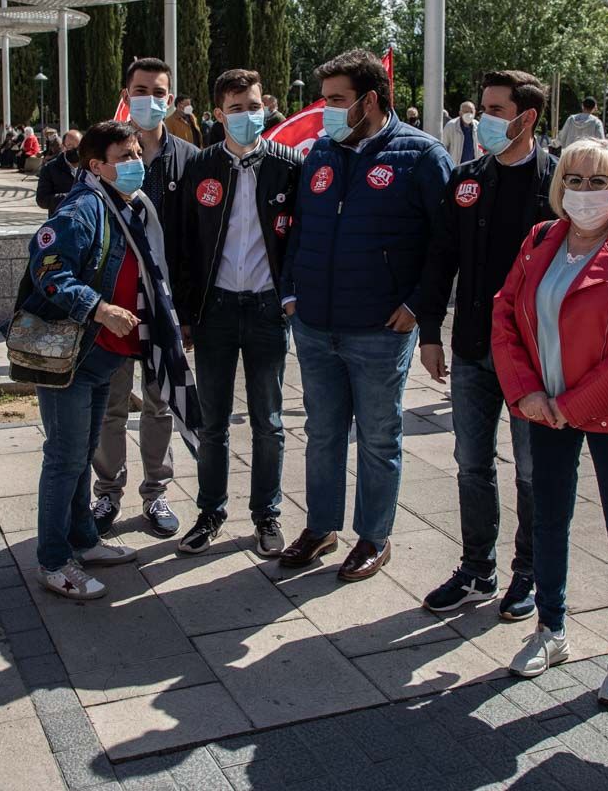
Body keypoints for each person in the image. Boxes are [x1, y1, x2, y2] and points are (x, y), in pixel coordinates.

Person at [491, 138, 608, 701]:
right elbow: (505, 317)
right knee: (548, 519)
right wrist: (526, 394)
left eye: (598, 181)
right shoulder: (541, 239)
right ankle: (551, 627)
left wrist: (573, 406)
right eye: (574, 178)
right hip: (543, 407)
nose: (585, 191)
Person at [278, 48, 453, 580]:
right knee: (322, 433)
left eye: (337, 100)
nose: (327, 110)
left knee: (379, 437)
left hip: (379, 330)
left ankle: (374, 537)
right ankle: (321, 526)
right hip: (314, 325)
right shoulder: (322, 153)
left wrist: (418, 308)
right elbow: (299, 229)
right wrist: (291, 295)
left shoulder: (421, 155)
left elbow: (444, 245)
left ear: (370, 101)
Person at [24, 120, 196, 599]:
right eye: (124, 156)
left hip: (105, 357)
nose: (136, 162)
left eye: (137, 153)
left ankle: (84, 538)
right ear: (95, 165)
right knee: (64, 458)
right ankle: (54, 560)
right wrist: (98, 309)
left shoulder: (128, 207)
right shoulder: (82, 208)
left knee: (80, 454)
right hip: (74, 356)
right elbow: (47, 271)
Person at [415, 70, 555, 621]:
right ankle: (477, 567)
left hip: (534, 358)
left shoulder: (561, 181)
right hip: (473, 348)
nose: (484, 120)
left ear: (527, 119)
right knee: (472, 463)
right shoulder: (468, 178)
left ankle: (530, 572)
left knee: (529, 470)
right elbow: (440, 257)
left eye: (496, 110)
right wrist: (429, 333)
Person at [172, 69, 302, 557]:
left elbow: (301, 239)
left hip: (270, 310)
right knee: (213, 421)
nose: (248, 116)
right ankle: (210, 511)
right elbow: (185, 245)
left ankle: (267, 513)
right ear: (217, 114)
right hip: (216, 310)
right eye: (236, 108)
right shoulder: (202, 166)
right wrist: (186, 311)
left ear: (265, 106)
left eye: (254, 106)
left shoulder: (289, 165)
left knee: (269, 420)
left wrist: (292, 297)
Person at [92, 58, 197, 538]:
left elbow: (197, 240)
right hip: (113, 310)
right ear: (125, 93)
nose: (150, 100)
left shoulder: (189, 159)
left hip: (162, 308)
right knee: (111, 408)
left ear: (170, 98)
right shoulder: (104, 151)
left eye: (159, 92)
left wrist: (188, 314)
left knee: (160, 405)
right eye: (141, 90)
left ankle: (157, 494)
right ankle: (106, 493)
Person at [35, 128, 83, 213]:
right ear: (63, 147)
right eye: (70, 146)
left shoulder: (91, 167)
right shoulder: (49, 168)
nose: (76, 150)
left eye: (78, 147)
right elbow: (42, 200)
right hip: (61, 220)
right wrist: (70, 197)